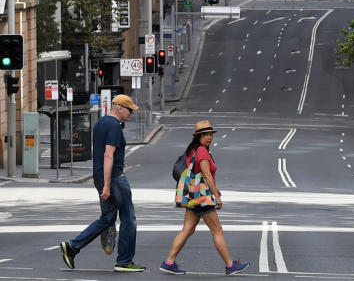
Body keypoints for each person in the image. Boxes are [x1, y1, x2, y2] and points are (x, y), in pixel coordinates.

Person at [60, 94, 145, 272]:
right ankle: (124, 261)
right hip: (113, 178)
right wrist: (107, 185)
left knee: (107, 218)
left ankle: (72, 246)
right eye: (129, 110)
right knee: (129, 218)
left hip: (99, 175)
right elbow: (108, 155)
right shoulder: (114, 126)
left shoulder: (101, 123)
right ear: (120, 108)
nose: (131, 114)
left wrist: (102, 183)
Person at [160, 121, 249, 276]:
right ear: (198, 137)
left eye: (210, 135)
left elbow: (200, 175)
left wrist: (214, 188)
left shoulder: (193, 150)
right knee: (217, 230)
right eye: (205, 135)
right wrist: (216, 196)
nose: (209, 138)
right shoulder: (201, 151)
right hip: (202, 197)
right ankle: (230, 265)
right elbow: (206, 175)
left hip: (193, 196)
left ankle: (169, 262)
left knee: (187, 230)